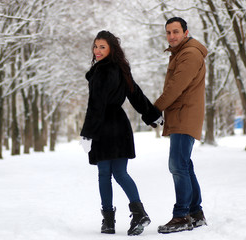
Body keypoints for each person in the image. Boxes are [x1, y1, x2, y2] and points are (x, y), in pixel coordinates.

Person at [80, 30, 162, 236]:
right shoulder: (121, 68)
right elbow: (136, 94)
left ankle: (108, 221)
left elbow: (95, 104)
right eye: (96, 46)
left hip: (104, 128)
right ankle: (139, 212)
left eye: (102, 47)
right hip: (120, 125)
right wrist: (152, 114)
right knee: (121, 174)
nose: (97, 51)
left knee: (104, 175)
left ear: (111, 49)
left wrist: (88, 133)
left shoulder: (101, 71)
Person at [153, 17, 208, 234]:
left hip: (185, 115)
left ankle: (181, 215)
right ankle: (195, 213)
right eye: (168, 32)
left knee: (177, 165)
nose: (172, 36)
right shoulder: (182, 53)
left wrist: (154, 109)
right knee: (184, 165)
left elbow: (176, 88)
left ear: (186, 32)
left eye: (176, 31)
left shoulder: (190, 54)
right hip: (181, 114)